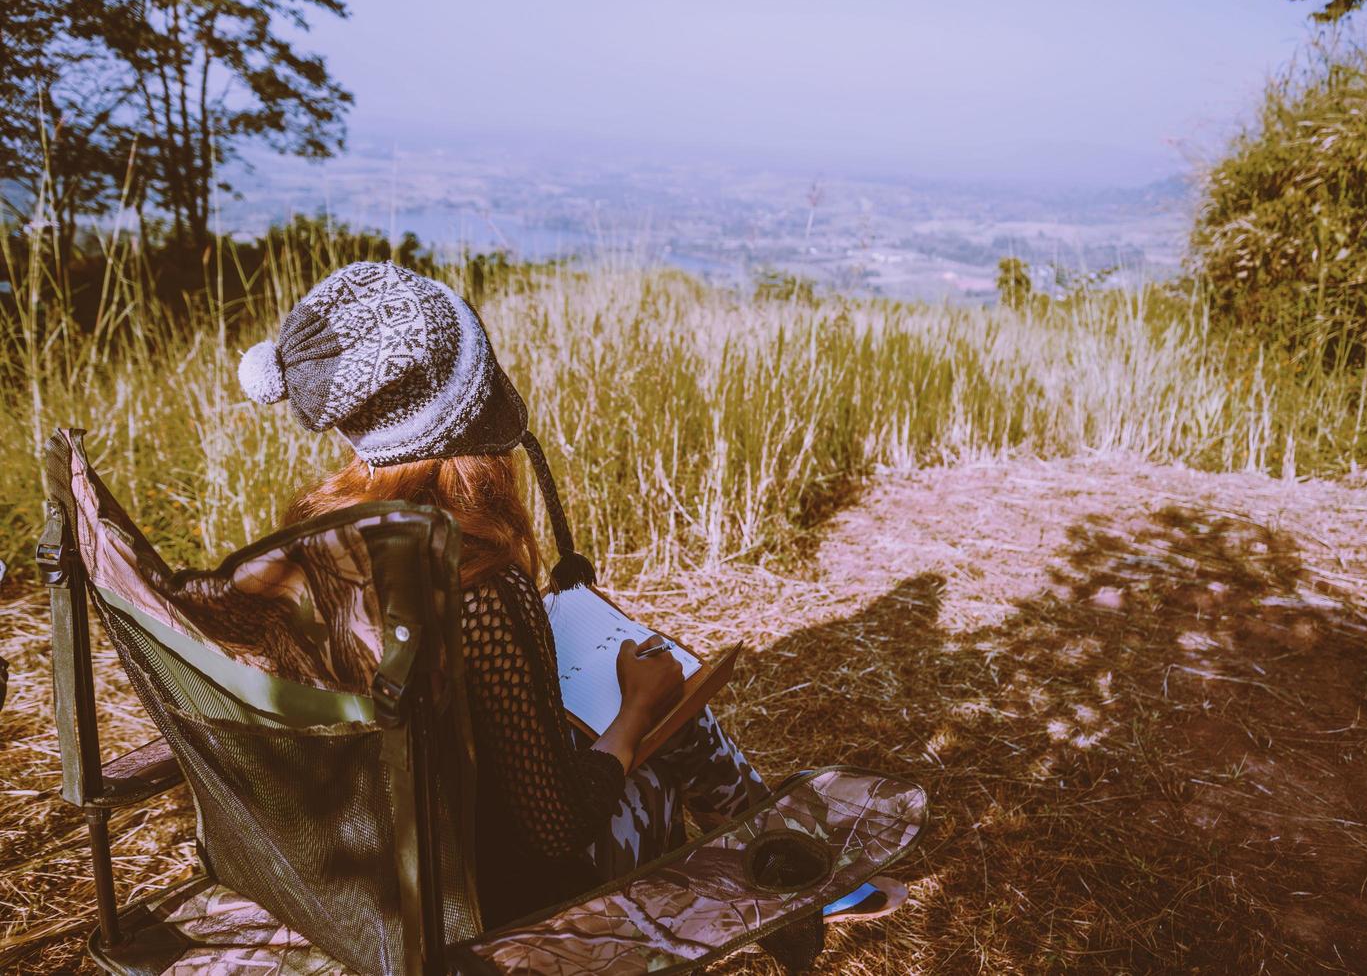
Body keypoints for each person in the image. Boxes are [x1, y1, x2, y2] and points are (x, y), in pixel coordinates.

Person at [237, 260, 903, 928]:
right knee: (675, 711)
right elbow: (557, 831)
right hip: (497, 906)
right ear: (470, 410)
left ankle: (770, 840)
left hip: (371, 883)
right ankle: (777, 857)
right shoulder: (478, 586)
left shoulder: (306, 550)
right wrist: (636, 714)